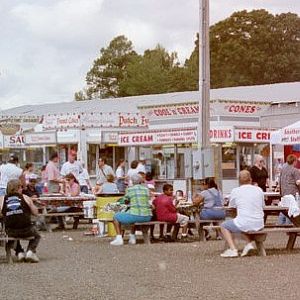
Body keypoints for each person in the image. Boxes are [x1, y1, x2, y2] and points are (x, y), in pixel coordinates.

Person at [220, 170, 264, 258]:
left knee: (225, 226)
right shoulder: (259, 190)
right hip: (259, 223)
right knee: (239, 223)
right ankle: (248, 244)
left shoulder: (235, 191)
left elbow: (231, 207)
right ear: (250, 179)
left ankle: (233, 249)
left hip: (244, 222)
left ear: (239, 181)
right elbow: (262, 205)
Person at [0, 179, 41, 262]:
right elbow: (36, 213)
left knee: (13, 225)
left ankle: (19, 252)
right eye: (21, 187)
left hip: (10, 231)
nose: (22, 189)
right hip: (27, 230)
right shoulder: (25, 197)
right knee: (37, 235)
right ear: (18, 188)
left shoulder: (2, 199)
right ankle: (30, 251)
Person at [110, 174, 152, 246]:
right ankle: (132, 237)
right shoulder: (146, 189)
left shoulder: (130, 189)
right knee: (132, 215)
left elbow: (125, 200)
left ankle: (119, 238)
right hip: (147, 216)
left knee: (116, 217)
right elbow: (148, 200)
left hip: (135, 215)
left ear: (132, 181)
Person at [278, 154, 300, 224]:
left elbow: (280, 181)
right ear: (294, 161)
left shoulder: (283, 170)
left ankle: (280, 224)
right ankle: (290, 227)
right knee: (291, 211)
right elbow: (298, 183)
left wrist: (281, 193)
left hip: (284, 193)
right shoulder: (295, 170)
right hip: (292, 194)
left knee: (284, 210)